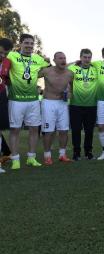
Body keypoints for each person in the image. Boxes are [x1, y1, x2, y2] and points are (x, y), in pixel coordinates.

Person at [7, 33, 50, 169]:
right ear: (20, 44)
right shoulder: (12, 56)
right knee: (15, 130)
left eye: (31, 44)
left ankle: (31, 158)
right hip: (16, 100)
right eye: (26, 43)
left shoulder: (38, 58)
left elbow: (49, 69)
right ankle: (15, 159)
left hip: (33, 100)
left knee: (34, 129)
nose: (29, 46)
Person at [40, 52, 73, 165]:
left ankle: (62, 154)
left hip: (62, 103)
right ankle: (47, 156)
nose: (63, 60)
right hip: (48, 102)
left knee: (64, 130)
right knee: (49, 131)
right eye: (60, 58)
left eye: (64, 58)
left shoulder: (70, 73)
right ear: (54, 60)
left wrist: (69, 93)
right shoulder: (46, 71)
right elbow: (30, 74)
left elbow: (72, 87)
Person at [68, 49, 98, 161]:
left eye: (89, 57)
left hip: (91, 105)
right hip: (76, 105)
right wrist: (73, 62)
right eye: (84, 57)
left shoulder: (95, 69)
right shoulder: (73, 68)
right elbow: (61, 66)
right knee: (76, 130)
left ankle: (88, 152)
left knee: (89, 130)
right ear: (80, 57)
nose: (87, 59)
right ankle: (76, 152)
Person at [0, 38, 12, 173]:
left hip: (1, 95)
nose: (3, 56)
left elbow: (8, 80)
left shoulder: (8, 62)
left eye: (6, 54)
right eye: (1, 52)